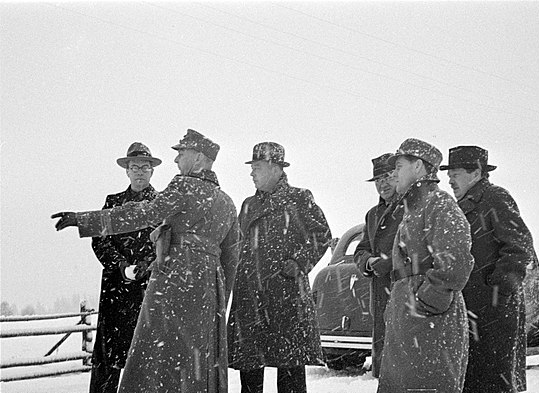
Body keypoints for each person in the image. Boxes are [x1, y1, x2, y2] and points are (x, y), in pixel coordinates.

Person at [52, 129, 239, 393]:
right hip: (210, 290)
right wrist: (220, 303)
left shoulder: (183, 187)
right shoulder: (227, 202)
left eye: (181, 153)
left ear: (198, 158)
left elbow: (143, 213)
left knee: (155, 359)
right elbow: (232, 259)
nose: (176, 161)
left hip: (175, 281)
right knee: (196, 360)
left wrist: (85, 220)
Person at [227, 142, 332, 393]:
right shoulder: (248, 204)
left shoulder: (299, 198)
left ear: (275, 168)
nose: (251, 173)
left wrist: (298, 263)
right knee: (250, 368)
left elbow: (322, 234)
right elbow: (238, 245)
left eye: (257, 167)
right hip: (250, 297)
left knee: (290, 371)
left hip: (285, 297)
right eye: (252, 167)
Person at [377, 138, 474, 393]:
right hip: (411, 322)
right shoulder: (413, 208)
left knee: (424, 386)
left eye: (398, 166)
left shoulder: (439, 204)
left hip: (429, 326)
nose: (393, 174)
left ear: (418, 167)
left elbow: (455, 263)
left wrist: (426, 302)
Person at [440, 145, 537, 393]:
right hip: (471, 307)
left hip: (494, 311)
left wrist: (498, 289)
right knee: (472, 378)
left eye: (456, 173)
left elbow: (520, 246)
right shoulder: (459, 206)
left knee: (493, 380)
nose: (450, 179)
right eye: (449, 174)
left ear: (476, 173)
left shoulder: (495, 198)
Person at [88, 142, 161, 393]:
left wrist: (146, 265)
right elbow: (100, 240)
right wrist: (121, 266)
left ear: (152, 171)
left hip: (148, 293)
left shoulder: (161, 204)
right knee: (108, 361)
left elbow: (167, 242)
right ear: (126, 171)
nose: (139, 171)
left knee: (145, 360)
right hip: (115, 294)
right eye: (134, 167)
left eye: (144, 167)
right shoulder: (113, 203)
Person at [353, 153, 402, 378]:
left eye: (387, 177)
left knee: (403, 362)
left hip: (405, 293)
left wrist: (388, 264)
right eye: (378, 180)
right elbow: (360, 249)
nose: (382, 184)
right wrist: (369, 262)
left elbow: (418, 250)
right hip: (380, 296)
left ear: (398, 176)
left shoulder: (410, 209)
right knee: (384, 368)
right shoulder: (372, 215)